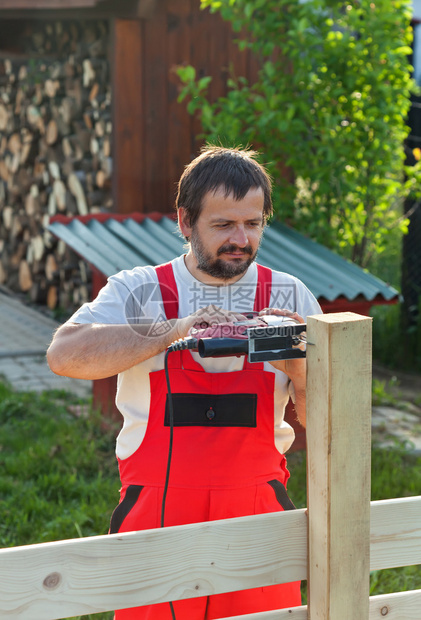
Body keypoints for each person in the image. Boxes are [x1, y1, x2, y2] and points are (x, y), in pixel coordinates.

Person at [47, 145, 321, 620]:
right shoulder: (140, 289)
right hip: (155, 508)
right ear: (185, 221)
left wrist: (297, 366)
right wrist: (172, 330)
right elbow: (64, 356)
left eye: (253, 224)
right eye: (223, 225)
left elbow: (332, 423)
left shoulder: (289, 294)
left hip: (257, 509)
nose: (241, 239)